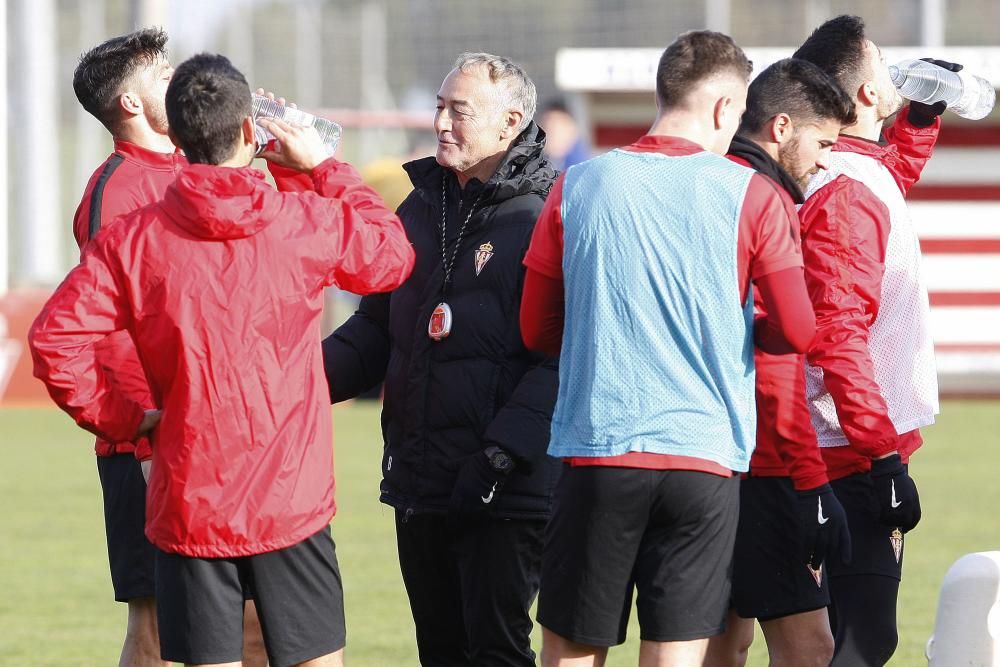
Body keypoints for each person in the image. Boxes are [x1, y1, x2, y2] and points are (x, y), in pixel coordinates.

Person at [30, 53, 414, 667]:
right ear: (247, 130)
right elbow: (390, 257)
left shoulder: (133, 239)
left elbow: (55, 341)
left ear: (177, 137)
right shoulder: (302, 219)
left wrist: (126, 418)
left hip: (192, 498)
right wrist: (321, 168)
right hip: (291, 497)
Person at [520, 31, 817, 667]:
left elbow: (535, 330)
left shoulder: (578, 185)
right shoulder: (754, 194)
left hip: (599, 448)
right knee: (675, 654)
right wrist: (735, 332)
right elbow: (797, 329)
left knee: (572, 648)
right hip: (703, 456)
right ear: (724, 107)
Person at [321, 52, 559, 665]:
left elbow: (568, 355)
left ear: (510, 122)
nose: (442, 124)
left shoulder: (549, 214)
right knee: (440, 653)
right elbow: (375, 330)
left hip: (502, 486)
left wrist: (501, 453)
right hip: (421, 478)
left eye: (460, 111)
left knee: (497, 653)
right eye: (439, 108)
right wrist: (292, 382)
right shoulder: (419, 208)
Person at [71, 29, 267, 667]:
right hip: (152, 446)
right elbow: (108, 328)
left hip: (222, 440)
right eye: (160, 76)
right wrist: (143, 432)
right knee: (156, 629)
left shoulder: (192, 168)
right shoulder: (119, 190)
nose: (177, 79)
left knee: (259, 625)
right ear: (129, 104)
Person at [792, 15, 950, 665]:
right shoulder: (848, 188)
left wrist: (922, 116)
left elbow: (891, 174)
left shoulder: (858, 169)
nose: (893, 77)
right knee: (854, 642)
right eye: (883, 68)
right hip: (845, 454)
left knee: (853, 639)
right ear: (862, 95)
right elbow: (839, 332)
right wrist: (881, 456)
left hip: (846, 444)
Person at [703, 58, 857, 667]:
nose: (825, 160)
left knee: (718, 639)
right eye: (823, 142)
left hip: (696, 454)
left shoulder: (706, 181)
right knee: (809, 648)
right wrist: (810, 478)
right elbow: (777, 355)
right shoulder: (761, 197)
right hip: (763, 463)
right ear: (782, 126)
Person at [539, 99, 590, 170]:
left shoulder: (584, 171)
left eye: (558, 129)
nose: (553, 136)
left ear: (573, 131)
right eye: (547, 128)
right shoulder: (531, 165)